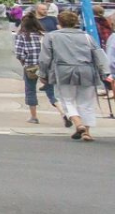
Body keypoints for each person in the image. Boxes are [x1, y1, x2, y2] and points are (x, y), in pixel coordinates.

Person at [42, 11, 108, 141]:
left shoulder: (51, 37)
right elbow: (99, 54)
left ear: (59, 23)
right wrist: (104, 72)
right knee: (86, 102)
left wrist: (43, 74)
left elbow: (45, 58)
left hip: (63, 70)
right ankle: (87, 132)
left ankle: (78, 123)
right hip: (87, 70)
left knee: (66, 99)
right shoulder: (86, 36)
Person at [16, 13, 57, 124]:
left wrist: (24, 63)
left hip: (31, 66)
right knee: (50, 90)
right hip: (46, 66)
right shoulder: (45, 35)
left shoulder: (22, 36)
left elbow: (19, 54)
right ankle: (63, 112)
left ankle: (34, 117)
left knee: (30, 90)